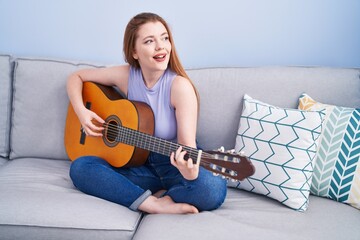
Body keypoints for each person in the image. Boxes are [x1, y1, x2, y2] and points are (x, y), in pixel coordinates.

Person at [67, 12, 227, 214]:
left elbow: (188, 147)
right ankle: (150, 203)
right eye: (150, 41)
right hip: (136, 164)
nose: (161, 46)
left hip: (173, 163)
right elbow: (76, 76)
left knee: (212, 189)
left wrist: (190, 172)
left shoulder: (180, 87)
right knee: (80, 168)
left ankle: (162, 194)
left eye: (165, 38)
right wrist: (82, 112)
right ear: (134, 51)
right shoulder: (126, 75)